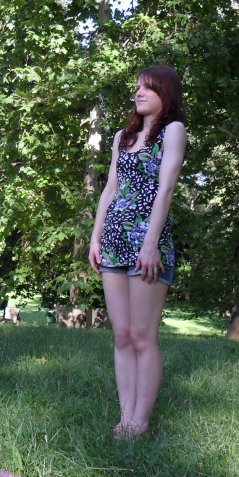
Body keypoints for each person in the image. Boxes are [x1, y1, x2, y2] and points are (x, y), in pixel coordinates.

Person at [89, 66, 187, 439]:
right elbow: (110, 188)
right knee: (122, 335)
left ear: (166, 93)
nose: (139, 92)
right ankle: (125, 417)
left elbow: (165, 189)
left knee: (143, 336)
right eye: (138, 87)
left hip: (148, 243)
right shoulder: (123, 136)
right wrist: (96, 238)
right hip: (114, 241)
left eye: (148, 87)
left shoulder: (172, 131)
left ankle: (140, 423)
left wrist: (150, 243)